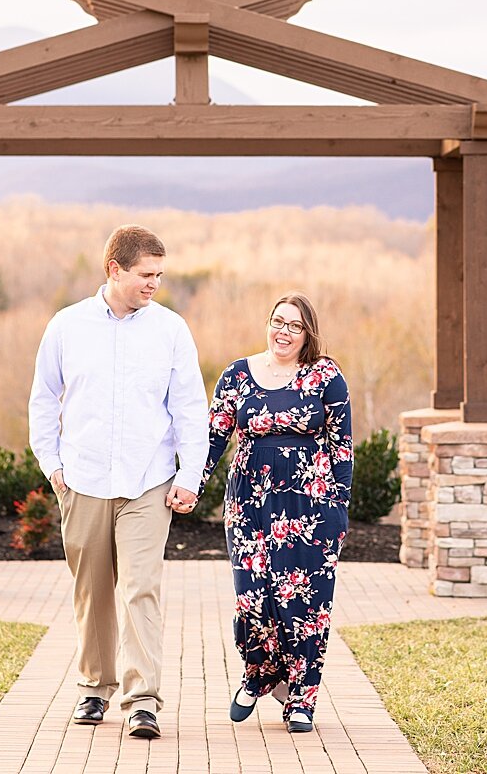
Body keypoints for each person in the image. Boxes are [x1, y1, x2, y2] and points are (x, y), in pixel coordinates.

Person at [29, 224, 208, 739]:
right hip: (82, 480)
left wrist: (189, 476)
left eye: (159, 274)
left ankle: (142, 699)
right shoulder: (66, 326)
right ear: (114, 269)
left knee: (139, 589)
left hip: (148, 481)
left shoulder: (171, 330)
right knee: (92, 591)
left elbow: (190, 409)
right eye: (146, 274)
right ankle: (93, 688)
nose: (155, 283)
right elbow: (43, 398)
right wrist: (53, 465)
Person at [201, 291, 353, 733]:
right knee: (252, 599)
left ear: (308, 334)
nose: (283, 332)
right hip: (248, 501)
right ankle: (259, 672)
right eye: (278, 322)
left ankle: (302, 699)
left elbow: (342, 448)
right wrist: (189, 485)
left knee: (304, 604)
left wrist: (339, 509)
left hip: (309, 506)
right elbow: (214, 438)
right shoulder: (236, 376)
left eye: (294, 325)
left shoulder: (326, 377)